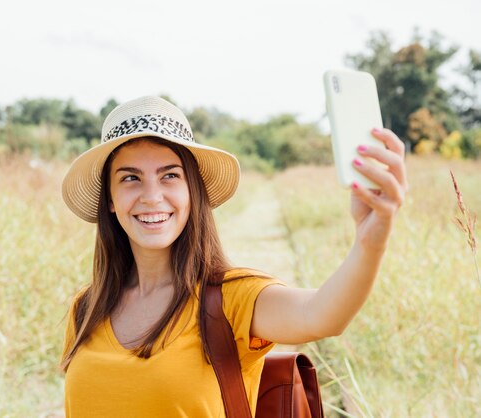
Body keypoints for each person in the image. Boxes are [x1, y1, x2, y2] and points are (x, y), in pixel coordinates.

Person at [59, 95, 407, 417]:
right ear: (110, 199)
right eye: (131, 178)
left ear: (192, 191)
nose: (152, 196)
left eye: (170, 176)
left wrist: (369, 242)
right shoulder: (86, 308)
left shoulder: (228, 299)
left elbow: (321, 315)